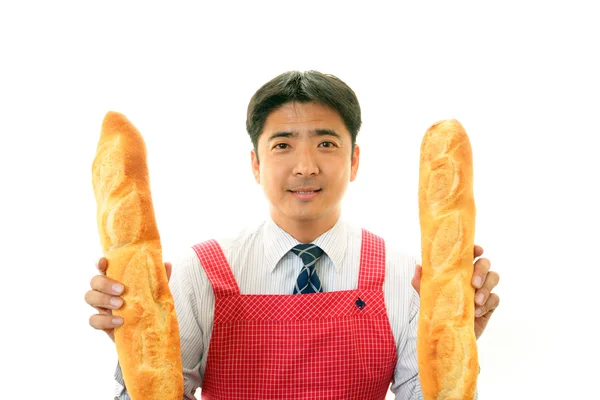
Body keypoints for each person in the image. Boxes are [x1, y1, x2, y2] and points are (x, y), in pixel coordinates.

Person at [85, 70, 500, 399]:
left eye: (326, 144)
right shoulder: (201, 273)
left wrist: (459, 338)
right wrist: (130, 340)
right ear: (255, 163)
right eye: (282, 145)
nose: (305, 166)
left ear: (354, 161)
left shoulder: (405, 276)